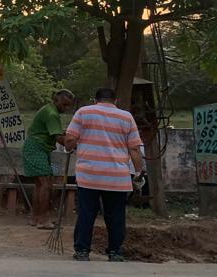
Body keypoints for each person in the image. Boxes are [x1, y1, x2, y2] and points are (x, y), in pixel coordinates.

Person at [64, 88, 145, 262]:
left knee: (86, 213)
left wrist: (69, 146)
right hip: (117, 177)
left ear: (95, 100)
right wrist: (139, 172)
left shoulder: (83, 112)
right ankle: (115, 252)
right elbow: (134, 149)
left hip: (89, 176)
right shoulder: (126, 117)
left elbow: (69, 139)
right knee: (116, 216)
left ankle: (82, 251)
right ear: (115, 101)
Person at [22, 89, 76, 229]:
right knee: (46, 184)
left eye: (68, 105)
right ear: (56, 100)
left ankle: (35, 218)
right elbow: (59, 138)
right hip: (37, 148)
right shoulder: (52, 114)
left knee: (40, 184)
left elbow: (56, 132)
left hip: (37, 148)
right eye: (64, 104)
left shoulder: (48, 110)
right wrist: (73, 144)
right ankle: (43, 220)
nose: (66, 108)